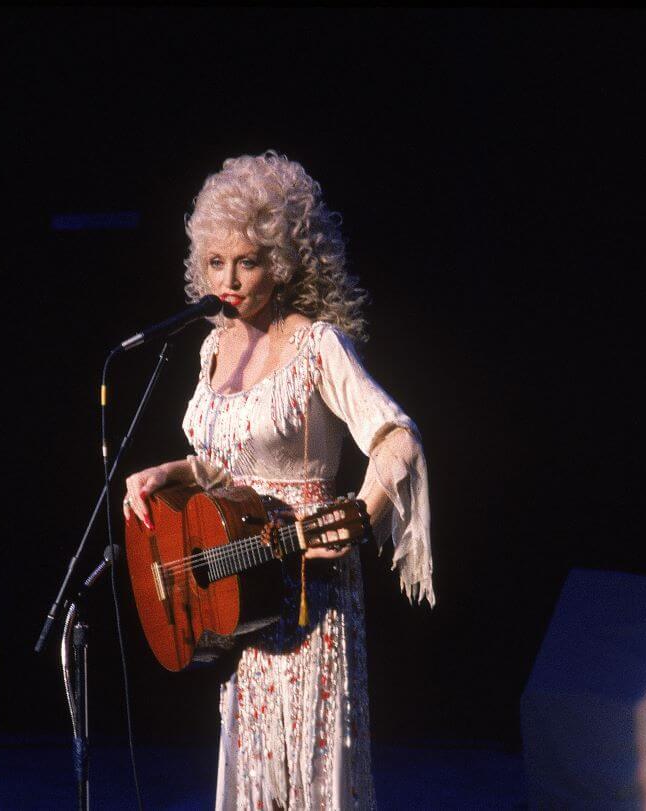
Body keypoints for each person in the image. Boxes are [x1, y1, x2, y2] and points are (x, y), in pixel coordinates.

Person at [123, 150, 432, 810]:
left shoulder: (317, 344)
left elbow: (398, 437)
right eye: (215, 262)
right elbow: (221, 462)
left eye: (247, 261)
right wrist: (168, 470)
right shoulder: (212, 347)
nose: (228, 279)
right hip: (239, 589)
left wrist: (359, 513)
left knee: (312, 763)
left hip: (307, 582)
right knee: (256, 763)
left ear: (283, 259)